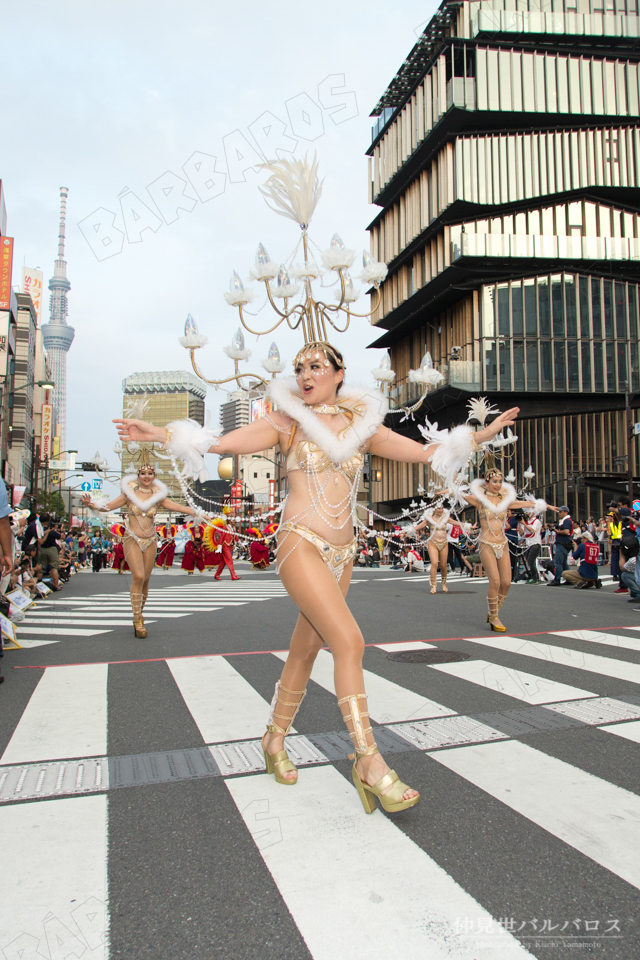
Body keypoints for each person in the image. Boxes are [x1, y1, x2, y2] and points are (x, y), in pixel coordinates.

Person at [115, 341, 518, 815]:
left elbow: (428, 452)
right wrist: (160, 433)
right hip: (300, 542)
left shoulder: (362, 428)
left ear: (339, 372)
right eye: (299, 367)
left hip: (343, 553)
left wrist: (480, 434)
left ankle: (273, 738)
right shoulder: (287, 422)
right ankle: (369, 761)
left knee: (306, 649)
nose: (305, 374)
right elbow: (223, 443)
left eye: (316, 366)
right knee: (349, 641)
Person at [82, 457, 203, 637]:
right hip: (132, 539)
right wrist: (92, 504)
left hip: (150, 541)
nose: (146, 476)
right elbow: (108, 507)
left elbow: (177, 506)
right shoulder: (128, 494)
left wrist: (194, 511)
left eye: (150, 473)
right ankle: (137, 618)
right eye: (143, 473)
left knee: (146, 579)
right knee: (137, 576)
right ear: (137, 476)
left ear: (154, 476)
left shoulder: (157, 496)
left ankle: (140, 614)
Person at [461, 471, 554, 630]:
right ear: (487, 482)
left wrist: (544, 505)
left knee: (506, 582)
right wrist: (446, 490)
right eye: (494, 481)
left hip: (502, 543)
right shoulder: (480, 500)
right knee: (495, 581)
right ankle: (494, 617)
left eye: (500, 481)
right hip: (486, 543)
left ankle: (493, 611)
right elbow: (458, 493)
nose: (497, 484)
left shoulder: (505, 501)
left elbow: (525, 503)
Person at [415, 504, 450, 593]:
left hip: (444, 543)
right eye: (439, 508)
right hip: (433, 542)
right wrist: (407, 530)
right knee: (434, 563)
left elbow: (456, 522)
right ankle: (433, 585)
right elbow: (419, 526)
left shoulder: (445, 518)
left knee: (443, 565)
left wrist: (468, 526)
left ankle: (443, 583)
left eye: (442, 508)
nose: (441, 510)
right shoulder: (429, 519)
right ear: (434, 509)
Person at [548, 506, 574, 586]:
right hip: (565, 543)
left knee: (558, 562)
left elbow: (566, 531)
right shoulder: (567, 520)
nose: (559, 513)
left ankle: (557, 579)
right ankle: (569, 578)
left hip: (562, 543)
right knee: (563, 563)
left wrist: (557, 531)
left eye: (560, 512)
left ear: (565, 512)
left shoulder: (566, 521)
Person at [37, 514, 62, 590]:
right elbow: (61, 537)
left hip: (42, 549)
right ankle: (56, 585)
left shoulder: (39, 528)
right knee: (54, 568)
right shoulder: (51, 531)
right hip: (51, 549)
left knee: (41, 568)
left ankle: (38, 586)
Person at [520, 509, 543, 583]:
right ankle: (534, 576)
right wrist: (519, 523)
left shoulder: (536, 521)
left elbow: (532, 530)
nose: (527, 514)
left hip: (535, 543)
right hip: (528, 543)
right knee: (528, 560)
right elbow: (521, 533)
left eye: (528, 512)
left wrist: (524, 524)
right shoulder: (526, 522)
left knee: (531, 560)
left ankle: (535, 577)